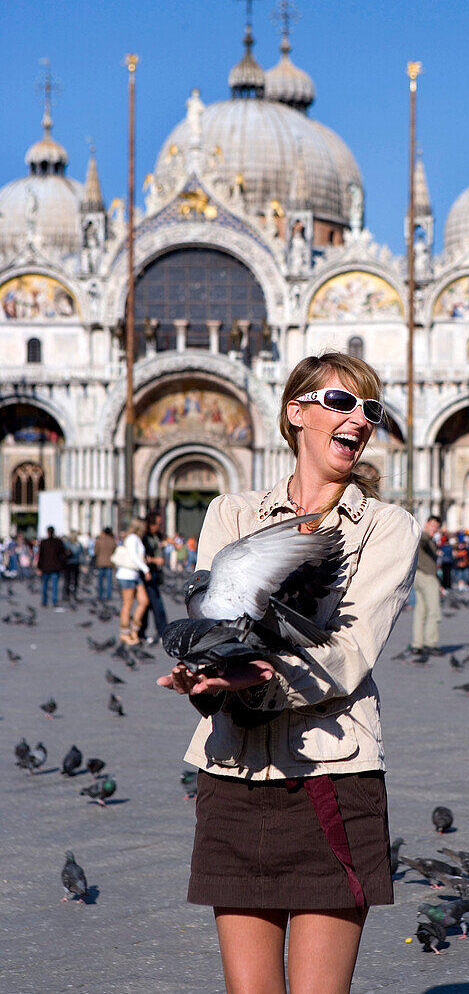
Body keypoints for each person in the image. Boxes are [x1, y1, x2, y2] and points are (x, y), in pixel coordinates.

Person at [157, 352, 420, 994]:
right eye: (340, 402)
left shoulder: (387, 526)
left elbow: (352, 652)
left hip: (330, 775)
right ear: (296, 413)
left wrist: (262, 677)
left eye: (371, 410)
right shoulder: (232, 514)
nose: (358, 418)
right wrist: (206, 675)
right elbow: (219, 633)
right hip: (233, 772)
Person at [115, 519, 151, 645]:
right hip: (127, 574)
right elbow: (133, 556)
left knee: (144, 601)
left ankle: (134, 629)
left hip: (134, 575)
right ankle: (124, 632)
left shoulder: (134, 538)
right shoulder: (132, 538)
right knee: (127, 604)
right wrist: (146, 570)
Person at [412, 515, 443, 656]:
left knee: (420, 611)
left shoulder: (431, 540)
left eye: (436, 527)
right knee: (433, 611)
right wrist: (426, 534)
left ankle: (417, 644)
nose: (434, 528)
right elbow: (422, 540)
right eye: (432, 525)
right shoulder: (423, 537)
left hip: (419, 576)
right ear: (426, 524)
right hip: (426, 577)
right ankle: (430, 643)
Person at [139, 511, 168, 644]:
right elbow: (143, 557)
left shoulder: (156, 535)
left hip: (156, 573)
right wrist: (155, 560)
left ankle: (141, 632)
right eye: (157, 524)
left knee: (150, 603)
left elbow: (165, 540)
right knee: (155, 603)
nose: (159, 526)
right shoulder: (144, 538)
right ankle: (162, 631)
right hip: (148, 574)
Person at [37, 526, 67, 610]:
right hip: (55, 566)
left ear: (47, 532)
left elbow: (41, 556)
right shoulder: (58, 542)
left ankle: (44, 601)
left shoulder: (44, 542)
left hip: (45, 566)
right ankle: (54, 601)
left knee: (45, 585)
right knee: (54, 585)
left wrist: (39, 567)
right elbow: (63, 555)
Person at [94, 527, 116, 601]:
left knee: (100, 581)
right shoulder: (112, 541)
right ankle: (108, 595)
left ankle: (100, 595)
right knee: (109, 581)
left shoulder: (99, 540)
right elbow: (114, 551)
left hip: (100, 562)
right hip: (110, 562)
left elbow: (95, 551)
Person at [62, 530, 84, 602]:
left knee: (67, 579)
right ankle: (74, 594)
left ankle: (66, 594)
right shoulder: (78, 544)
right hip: (75, 563)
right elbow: (81, 555)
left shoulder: (67, 543)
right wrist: (83, 564)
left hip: (68, 563)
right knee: (75, 580)